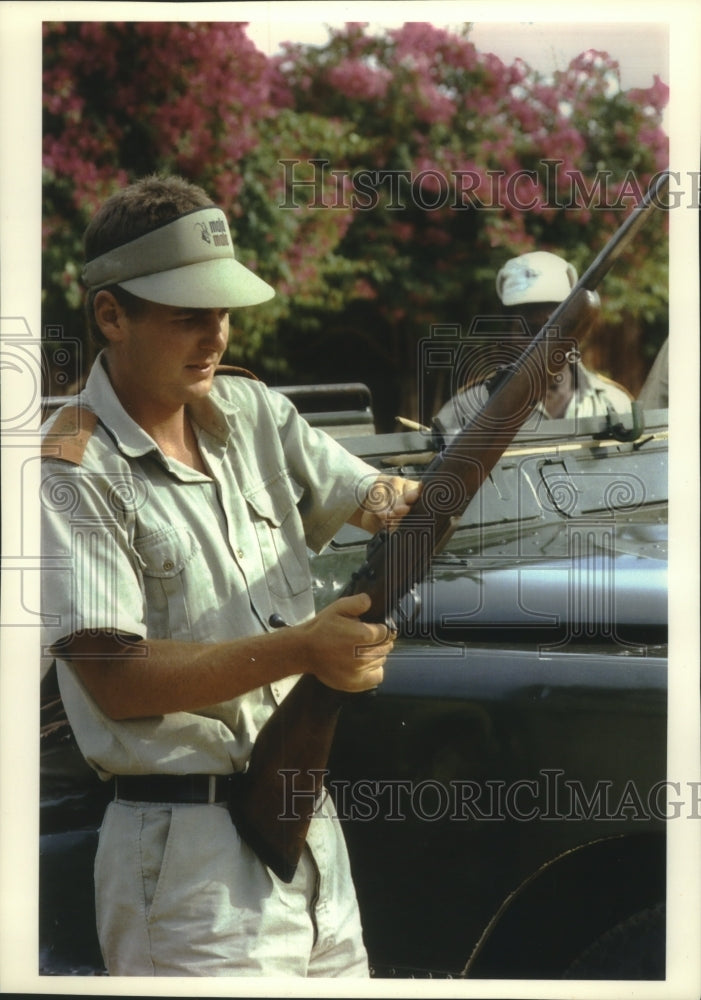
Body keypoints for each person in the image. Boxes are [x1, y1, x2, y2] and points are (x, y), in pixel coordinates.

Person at [40, 174, 419, 977]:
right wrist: (305, 651)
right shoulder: (74, 467)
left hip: (308, 833)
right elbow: (114, 677)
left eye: (221, 314)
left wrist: (431, 494)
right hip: (185, 866)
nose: (215, 337)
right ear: (111, 314)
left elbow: (374, 499)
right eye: (187, 318)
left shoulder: (252, 412)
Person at [433, 250, 633, 436]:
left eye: (554, 328)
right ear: (507, 335)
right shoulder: (467, 411)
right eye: (528, 330)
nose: (541, 342)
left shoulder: (614, 404)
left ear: (574, 331)